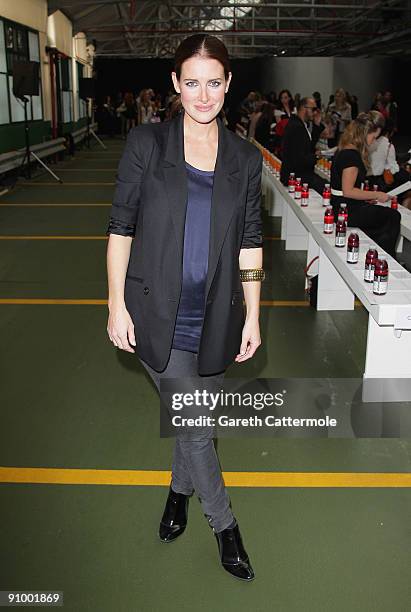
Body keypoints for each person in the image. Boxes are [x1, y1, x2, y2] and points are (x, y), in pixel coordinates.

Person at [105, 33, 264, 582]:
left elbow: (249, 239)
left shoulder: (244, 158)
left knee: (191, 415)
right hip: (153, 314)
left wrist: (254, 311)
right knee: (197, 424)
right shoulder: (147, 144)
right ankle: (226, 528)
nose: (202, 95)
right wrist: (114, 304)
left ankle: (177, 493)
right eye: (191, 82)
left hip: (216, 317)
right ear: (175, 84)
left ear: (228, 85)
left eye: (213, 82)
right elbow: (121, 228)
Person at [330, 111, 400, 257]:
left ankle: (377, 252)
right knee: (393, 216)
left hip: (342, 206)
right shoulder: (351, 155)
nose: (374, 141)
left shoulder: (344, 149)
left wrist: (365, 197)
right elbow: (348, 191)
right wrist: (377, 194)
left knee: (383, 215)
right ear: (365, 132)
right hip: (346, 210)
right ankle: (384, 257)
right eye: (374, 137)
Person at [280, 96, 326, 193]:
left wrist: (317, 125)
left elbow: (308, 146)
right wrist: (316, 157)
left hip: (298, 174)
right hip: (297, 176)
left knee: (326, 184)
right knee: (327, 187)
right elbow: (299, 159)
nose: (316, 113)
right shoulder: (297, 127)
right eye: (313, 109)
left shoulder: (299, 124)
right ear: (304, 108)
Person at [368, 118, 411, 207]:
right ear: (390, 132)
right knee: (406, 180)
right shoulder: (388, 146)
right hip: (381, 181)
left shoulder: (370, 142)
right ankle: (401, 204)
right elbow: (393, 169)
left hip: (369, 179)